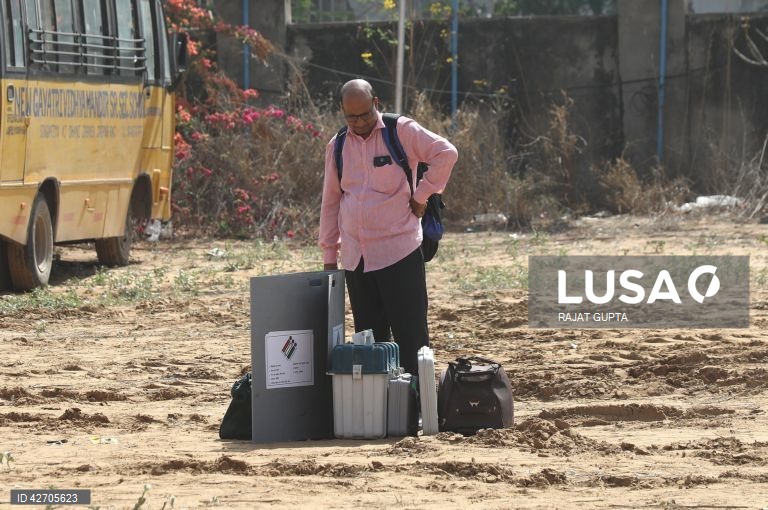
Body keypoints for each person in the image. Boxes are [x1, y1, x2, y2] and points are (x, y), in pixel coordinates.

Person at [319, 79, 458, 376]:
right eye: (351, 117)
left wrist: (422, 194)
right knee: (370, 344)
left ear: (376, 103)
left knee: (411, 339)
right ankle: (379, 411)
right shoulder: (338, 145)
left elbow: (446, 153)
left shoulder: (401, 131)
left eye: (364, 114)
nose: (359, 123)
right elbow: (331, 202)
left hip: (400, 253)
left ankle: (418, 406)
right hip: (357, 260)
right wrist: (330, 257)